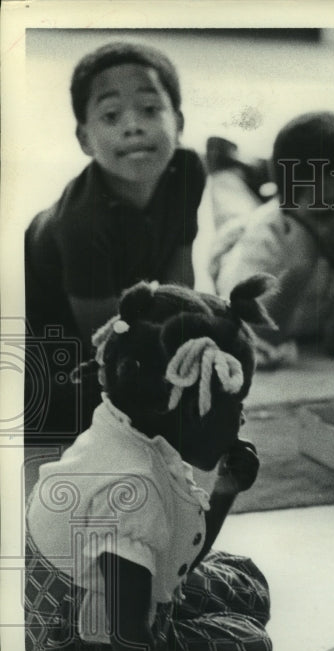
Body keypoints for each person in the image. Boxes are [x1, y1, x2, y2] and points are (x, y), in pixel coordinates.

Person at [24, 276, 276, 651]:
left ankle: (190, 623)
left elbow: (172, 559)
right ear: (184, 404)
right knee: (253, 648)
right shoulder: (132, 492)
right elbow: (128, 634)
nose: (243, 416)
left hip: (99, 608)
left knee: (247, 581)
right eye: (235, 402)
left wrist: (224, 489)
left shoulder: (123, 428)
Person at [24, 41, 205, 441]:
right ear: (85, 139)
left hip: (121, 317)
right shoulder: (82, 223)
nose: (132, 125)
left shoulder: (189, 170)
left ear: (178, 120)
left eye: (150, 109)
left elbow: (179, 277)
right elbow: (105, 340)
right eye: (110, 115)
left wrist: (189, 340)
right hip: (54, 346)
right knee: (86, 415)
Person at [210, 111, 334, 369]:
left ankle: (249, 171)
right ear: (288, 210)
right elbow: (249, 338)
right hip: (231, 244)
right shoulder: (266, 233)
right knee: (231, 205)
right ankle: (227, 170)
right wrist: (297, 271)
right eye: (324, 213)